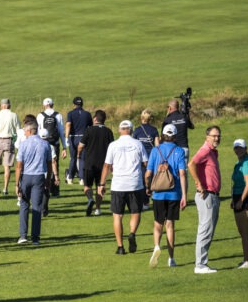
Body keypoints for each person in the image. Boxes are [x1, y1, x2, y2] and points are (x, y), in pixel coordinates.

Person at [100, 120, 149, 255]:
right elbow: (146, 162)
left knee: (117, 216)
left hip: (118, 185)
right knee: (135, 212)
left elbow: (106, 166)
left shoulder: (113, 145)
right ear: (131, 130)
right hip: (135, 183)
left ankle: (120, 247)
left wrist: (101, 184)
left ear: (120, 130)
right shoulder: (138, 144)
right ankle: (132, 233)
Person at [145, 124, 189, 268]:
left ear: (163, 135)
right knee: (169, 225)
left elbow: (148, 173)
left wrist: (148, 186)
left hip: (158, 193)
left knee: (158, 223)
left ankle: (157, 246)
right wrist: (184, 195)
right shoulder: (179, 151)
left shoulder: (155, 150)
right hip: (174, 193)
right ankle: (171, 258)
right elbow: (182, 173)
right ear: (175, 136)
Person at [188, 125, 222, 274]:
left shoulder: (213, 152)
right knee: (205, 229)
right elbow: (191, 164)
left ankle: (202, 263)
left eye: (218, 136)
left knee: (208, 229)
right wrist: (198, 183)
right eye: (214, 136)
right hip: (206, 194)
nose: (216, 138)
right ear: (207, 137)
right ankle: (200, 265)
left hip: (212, 195)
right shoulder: (206, 150)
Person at [14, 121, 52, 245]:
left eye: (25, 131)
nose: (24, 133)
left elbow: (19, 165)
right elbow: (49, 164)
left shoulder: (23, 144)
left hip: (26, 176)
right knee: (36, 207)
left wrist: (16, 183)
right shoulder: (45, 144)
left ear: (29, 131)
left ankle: (23, 235)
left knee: (24, 205)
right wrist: (48, 179)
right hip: (39, 176)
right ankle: (35, 238)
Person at [78, 110, 114, 217]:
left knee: (87, 185)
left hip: (89, 163)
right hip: (103, 164)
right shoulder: (108, 131)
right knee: (100, 186)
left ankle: (90, 199)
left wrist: (78, 155)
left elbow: (80, 145)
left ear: (95, 119)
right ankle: (98, 209)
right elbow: (112, 147)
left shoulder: (89, 130)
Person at [229, 138, 248, 269]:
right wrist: (233, 200)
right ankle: (247, 258)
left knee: (245, 231)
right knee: (241, 231)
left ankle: (247, 261)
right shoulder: (238, 163)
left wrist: (240, 201)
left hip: (244, 198)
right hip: (238, 197)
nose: (238, 150)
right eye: (236, 148)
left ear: (246, 149)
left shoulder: (245, 164)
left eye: (240, 148)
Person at [0, 98, 20, 195]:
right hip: (9, 140)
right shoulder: (14, 115)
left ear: (1, 105)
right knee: (7, 166)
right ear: (9, 105)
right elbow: (18, 130)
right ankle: (5, 188)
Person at [65, 96, 93, 185]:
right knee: (82, 158)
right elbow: (90, 127)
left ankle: (70, 178)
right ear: (82, 104)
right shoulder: (87, 114)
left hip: (73, 137)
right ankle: (82, 179)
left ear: (74, 104)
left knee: (73, 158)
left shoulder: (70, 113)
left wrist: (66, 137)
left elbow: (68, 125)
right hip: (84, 137)